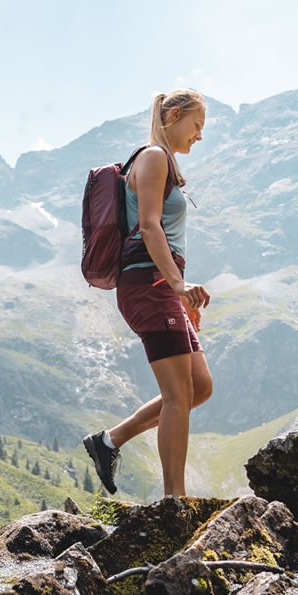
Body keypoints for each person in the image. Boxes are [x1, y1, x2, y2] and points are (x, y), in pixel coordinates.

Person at [83, 89, 212, 498]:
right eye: (196, 125)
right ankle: (175, 500)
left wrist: (180, 294)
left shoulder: (163, 161)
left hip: (161, 286)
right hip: (149, 285)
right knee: (178, 394)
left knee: (200, 386)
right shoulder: (154, 157)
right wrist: (177, 285)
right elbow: (150, 225)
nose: (199, 135)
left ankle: (109, 441)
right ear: (174, 116)